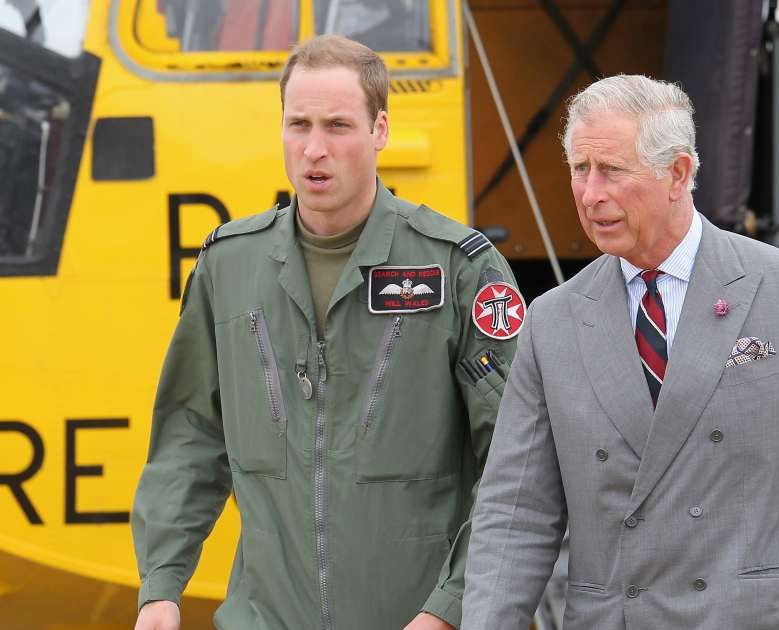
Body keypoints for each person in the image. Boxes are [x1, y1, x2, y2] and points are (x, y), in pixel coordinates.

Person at [462, 75, 779, 629]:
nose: (590, 194)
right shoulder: (552, 320)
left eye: (611, 170)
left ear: (678, 173)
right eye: (578, 170)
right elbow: (515, 515)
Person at [132, 35, 523, 630]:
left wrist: (449, 608)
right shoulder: (228, 267)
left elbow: (515, 465)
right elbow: (190, 437)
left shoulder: (459, 268)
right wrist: (161, 587)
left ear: (380, 130)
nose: (314, 149)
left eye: (339, 125)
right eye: (299, 124)